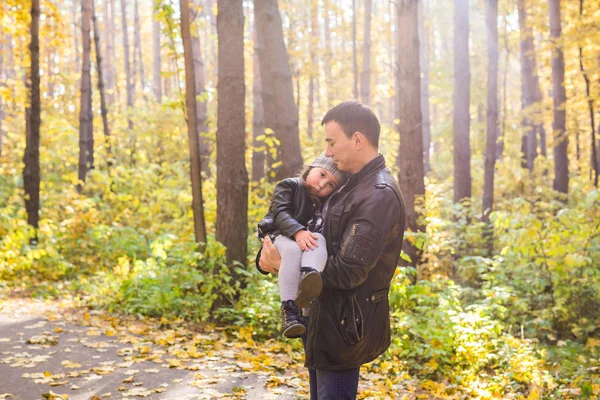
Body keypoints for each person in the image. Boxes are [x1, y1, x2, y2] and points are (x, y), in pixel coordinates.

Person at [259, 101, 406, 400]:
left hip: (342, 326)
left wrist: (282, 267)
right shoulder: (347, 183)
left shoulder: (377, 194)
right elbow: (302, 230)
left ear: (357, 140)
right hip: (320, 319)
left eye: (331, 142)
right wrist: (269, 258)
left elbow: (349, 270)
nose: (327, 152)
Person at [256, 153, 349, 338]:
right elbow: (280, 212)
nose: (322, 185)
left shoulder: (324, 203)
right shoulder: (289, 185)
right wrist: (297, 231)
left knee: (318, 240)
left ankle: (309, 277)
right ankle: (289, 311)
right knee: (291, 250)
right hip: (280, 233)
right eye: (322, 175)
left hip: (303, 240)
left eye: (330, 184)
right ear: (311, 168)